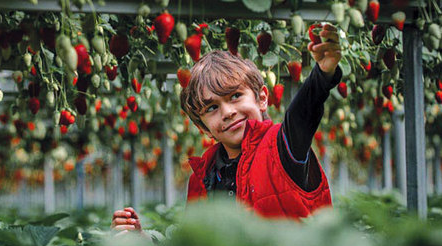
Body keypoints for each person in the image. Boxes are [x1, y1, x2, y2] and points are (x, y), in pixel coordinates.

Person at [111, 24, 342, 234]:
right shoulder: (201, 179)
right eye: (212, 107)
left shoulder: (281, 146)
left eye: (235, 96)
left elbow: (302, 114)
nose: (228, 112)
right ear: (202, 126)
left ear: (262, 98)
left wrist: (322, 75)